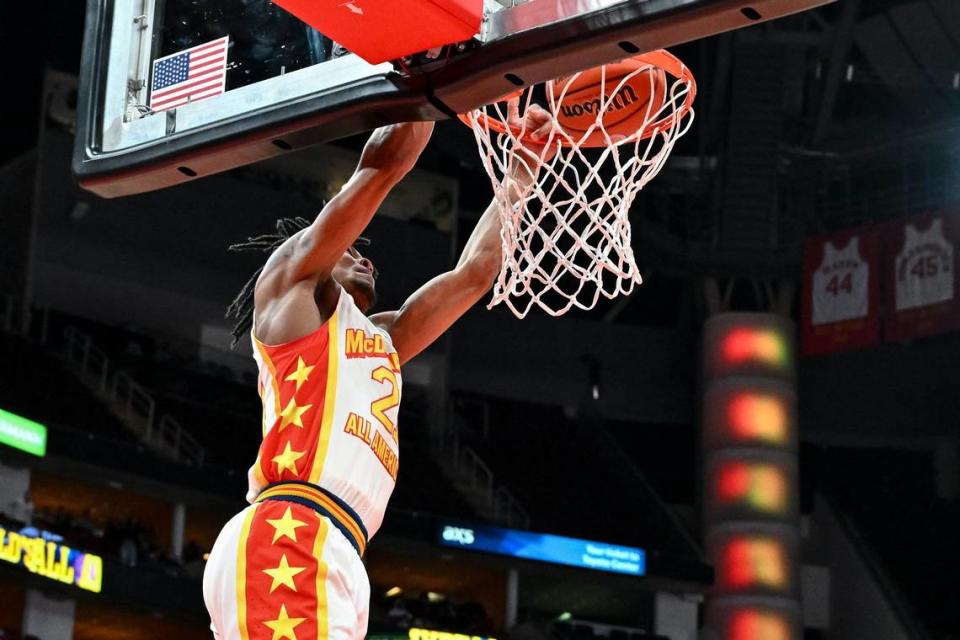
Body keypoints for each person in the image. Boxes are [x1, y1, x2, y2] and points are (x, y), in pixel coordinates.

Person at [203, 101, 554, 640]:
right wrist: (432, 91)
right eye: (352, 249)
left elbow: (475, 274)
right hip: (290, 530)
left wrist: (523, 169)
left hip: (340, 546)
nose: (367, 257)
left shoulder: (381, 340)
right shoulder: (289, 292)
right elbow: (380, 168)